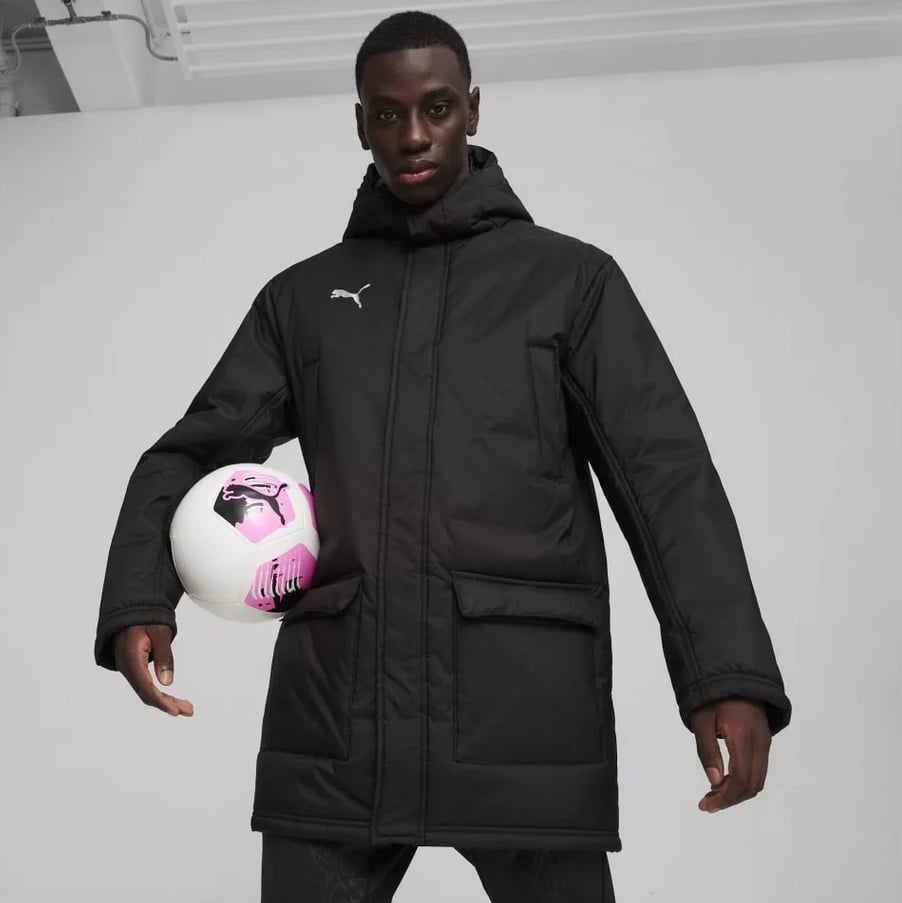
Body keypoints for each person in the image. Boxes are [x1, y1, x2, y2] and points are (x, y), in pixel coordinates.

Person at [94, 10, 792, 902]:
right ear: (361, 124)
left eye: (437, 107)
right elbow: (191, 450)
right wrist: (140, 596)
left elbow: (667, 480)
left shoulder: (569, 284)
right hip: (339, 729)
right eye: (388, 114)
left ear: (473, 109)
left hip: (524, 724)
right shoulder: (304, 300)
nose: (414, 135)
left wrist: (725, 674)